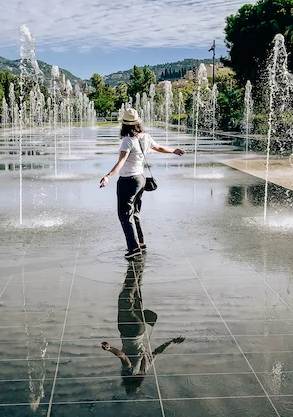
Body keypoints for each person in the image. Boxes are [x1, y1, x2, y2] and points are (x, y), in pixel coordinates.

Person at [100, 107, 184, 259]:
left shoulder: (127, 140)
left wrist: (108, 176)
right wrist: (173, 150)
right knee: (135, 213)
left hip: (128, 180)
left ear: (124, 124)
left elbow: (121, 162)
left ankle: (133, 249)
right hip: (141, 179)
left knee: (125, 216)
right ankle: (141, 244)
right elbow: (158, 147)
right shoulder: (145, 137)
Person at [101, 258, 185, 395]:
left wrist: (173, 341)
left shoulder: (145, 369)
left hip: (140, 330)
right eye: (127, 387)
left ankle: (139, 266)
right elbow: (123, 356)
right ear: (129, 382)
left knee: (136, 294)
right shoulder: (130, 372)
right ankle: (135, 264)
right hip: (128, 331)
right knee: (125, 297)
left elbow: (157, 351)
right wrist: (110, 348)